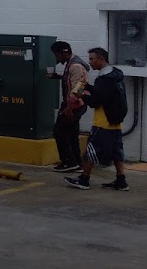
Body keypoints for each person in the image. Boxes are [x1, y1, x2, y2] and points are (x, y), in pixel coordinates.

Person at [65, 47, 129, 191]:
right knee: (116, 152)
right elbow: (103, 95)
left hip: (103, 122)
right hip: (115, 122)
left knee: (91, 151)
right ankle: (121, 180)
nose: (90, 62)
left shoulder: (104, 79)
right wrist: (88, 87)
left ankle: (84, 179)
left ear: (101, 59)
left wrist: (81, 94)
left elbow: (96, 102)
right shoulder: (115, 75)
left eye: (92, 59)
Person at [48, 41, 89, 172]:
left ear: (63, 53)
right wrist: (60, 77)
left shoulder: (75, 66)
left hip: (74, 104)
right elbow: (74, 81)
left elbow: (80, 86)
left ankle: (68, 161)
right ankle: (76, 162)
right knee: (71, 133)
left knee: (59, 131)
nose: (56, 58)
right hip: (75, 104)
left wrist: (70, 107)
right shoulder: (71, 64)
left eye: (57, 55)